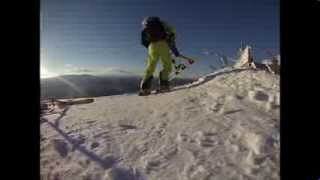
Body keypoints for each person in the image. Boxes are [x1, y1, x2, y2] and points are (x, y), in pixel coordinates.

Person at [139, 16, 180, 96]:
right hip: (163, 45)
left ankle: (144, 89)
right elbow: (171, 37)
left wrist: (151, 46)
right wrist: (175, 51)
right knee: (167, 66)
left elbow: (143, 42)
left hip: (151, 47)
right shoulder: (163, 25)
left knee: (150, 66)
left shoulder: (145, 28)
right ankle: (164, 86)